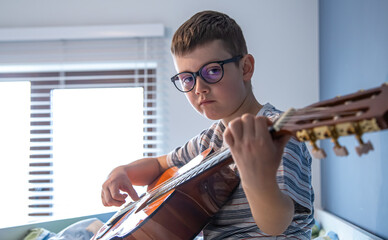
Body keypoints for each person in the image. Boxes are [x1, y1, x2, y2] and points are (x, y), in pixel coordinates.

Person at [101, 10, 314, 239]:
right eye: (187, 79)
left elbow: (277, 224)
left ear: (245, 68)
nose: (199, 88)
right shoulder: (209, 141)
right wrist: (122, 172)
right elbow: (158, 164)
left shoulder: (277, 134)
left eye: (212, 71)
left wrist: (255, 176)